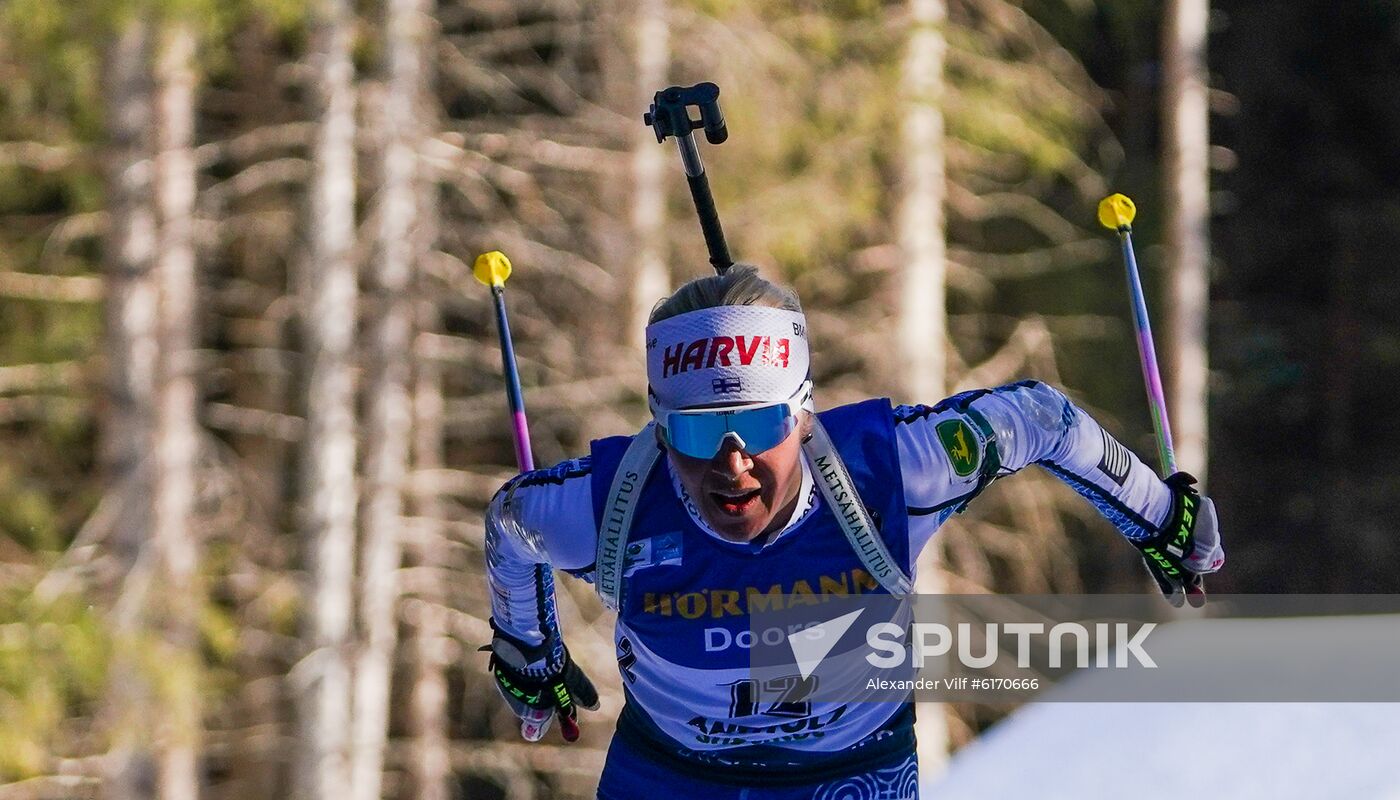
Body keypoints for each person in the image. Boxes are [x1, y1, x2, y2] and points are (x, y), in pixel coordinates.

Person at [484, 264, 1224, 799]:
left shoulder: (888, 473)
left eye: (761, 422)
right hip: (673, 777)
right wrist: (527, 651)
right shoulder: (615, 506)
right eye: (697, 431)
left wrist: (1161, 517)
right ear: (659, 425)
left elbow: (1041, 418)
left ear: (804, 413)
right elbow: (512, 521)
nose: (731, 462)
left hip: (850, 773)